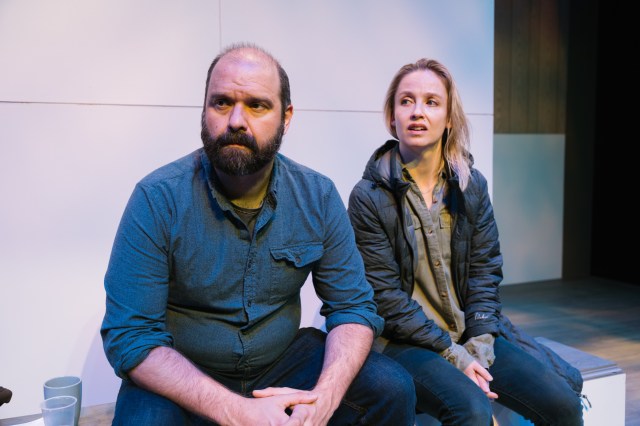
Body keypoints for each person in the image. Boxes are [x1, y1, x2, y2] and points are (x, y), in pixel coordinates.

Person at [100, 42, 416, 426]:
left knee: (390, 387)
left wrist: (325, 397)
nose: (236, 120)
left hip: (281, 363)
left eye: (257, 105)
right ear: (203, 110)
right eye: (221, 103)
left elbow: (353, 308)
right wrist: (238, 411)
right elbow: (130, 336)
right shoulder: (157, 198)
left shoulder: (317, 196)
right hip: (187, 373)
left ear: (286, 117)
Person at [347, 58, 585, 426]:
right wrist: (455, 355)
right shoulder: (368, 196)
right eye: (406, 101)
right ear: (392, 117)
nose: (417, 112)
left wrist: (478, 347)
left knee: (564, 404)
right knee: (472, 410)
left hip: (468, 333)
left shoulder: (471, 186)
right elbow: (385, 299)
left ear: (449, 118)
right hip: (405, 342)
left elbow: (484, 272)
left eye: (431, 102)